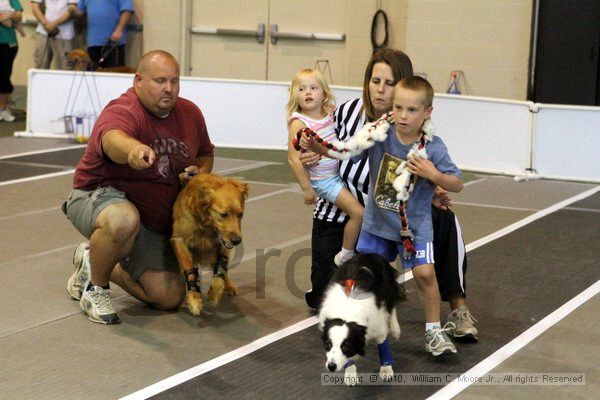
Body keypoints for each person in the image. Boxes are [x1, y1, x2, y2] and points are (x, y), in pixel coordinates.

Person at [301, 48, 478, 343]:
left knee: (443, 217)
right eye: (375, 80)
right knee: (325, 298)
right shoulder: (346, 113)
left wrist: (431, 185)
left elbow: (442, 174)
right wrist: (311, 155)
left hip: (397, 212)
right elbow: (325, 144)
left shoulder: (420, 132)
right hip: (345, 212)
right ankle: (383, 283)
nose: (380, 89)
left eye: (389, 82)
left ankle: (457, 307)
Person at [63, 50, 215, 324]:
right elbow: (112, 138)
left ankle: (92, 259)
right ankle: (95, 289)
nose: (168, 89)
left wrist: (200, 172)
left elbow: (205, 153)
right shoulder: (124, 110)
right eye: (159, 81)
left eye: (174, 81)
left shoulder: (190, 113)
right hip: (96, 197)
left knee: (168, 297)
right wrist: (133, 151)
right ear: (138, 81)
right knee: (123, 220)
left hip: (152, 223)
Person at [286, 68, 364, 266]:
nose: (308, 93)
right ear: (295, 94)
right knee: (358, 213)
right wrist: (306, 188)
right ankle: (346, 253)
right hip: (325, 181)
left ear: (324, 93)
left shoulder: (330, 113)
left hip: (338, 174)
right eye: (302, 89)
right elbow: (294, 159)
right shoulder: (299, 122)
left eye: (313, 88)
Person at [69, 0, 133, 68]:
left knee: (114, 73)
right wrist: (73, 10)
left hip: (113, 42)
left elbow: (127, 10)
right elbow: (80, 11)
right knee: (94, 75)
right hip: (93, 42)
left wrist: (119, 30)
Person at [31, 0, 78, 70]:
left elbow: (72, 9)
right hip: (44, 32)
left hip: (65, 34)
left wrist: (55, 24)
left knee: (65, 68)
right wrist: (46, 24)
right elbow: (35, 7)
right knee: (40, 66)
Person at [0, 0, 22, 122]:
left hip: (9, 42)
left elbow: (18, 15)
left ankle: (2, 108)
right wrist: (7, 16)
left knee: (4, 75)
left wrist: (9, 15)